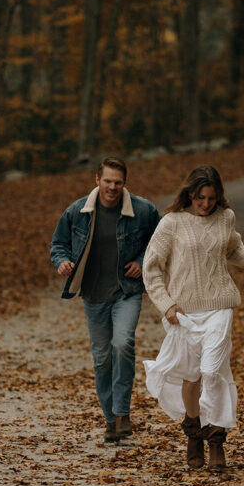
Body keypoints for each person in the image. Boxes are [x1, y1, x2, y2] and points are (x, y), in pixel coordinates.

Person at [142, 165, 244, 472]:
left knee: (212, 371)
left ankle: (216, 439)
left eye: (211, 198)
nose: (206, 204)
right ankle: (193, 431)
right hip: (183, 312)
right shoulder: (171, 224)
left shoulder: (225, 218)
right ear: (190, 194)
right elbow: (152, 268)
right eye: (200, 198)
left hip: (219, 306)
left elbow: (234, 249)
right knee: (192, 378)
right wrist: (167, 305)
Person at [49, 156, 160, 443]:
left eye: (118, 182)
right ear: (97, 180)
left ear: (125, 183)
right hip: (94, 295)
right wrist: (61, 262)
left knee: (122, 343)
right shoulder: (78, 211)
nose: (112, 187)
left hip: (126, 292)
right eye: (107, 181)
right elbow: (58, 244)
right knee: (102, 358)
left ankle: (123, 413)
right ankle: (110, 419)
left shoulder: (143, 209)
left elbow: (160, 241)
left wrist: (141, 260)